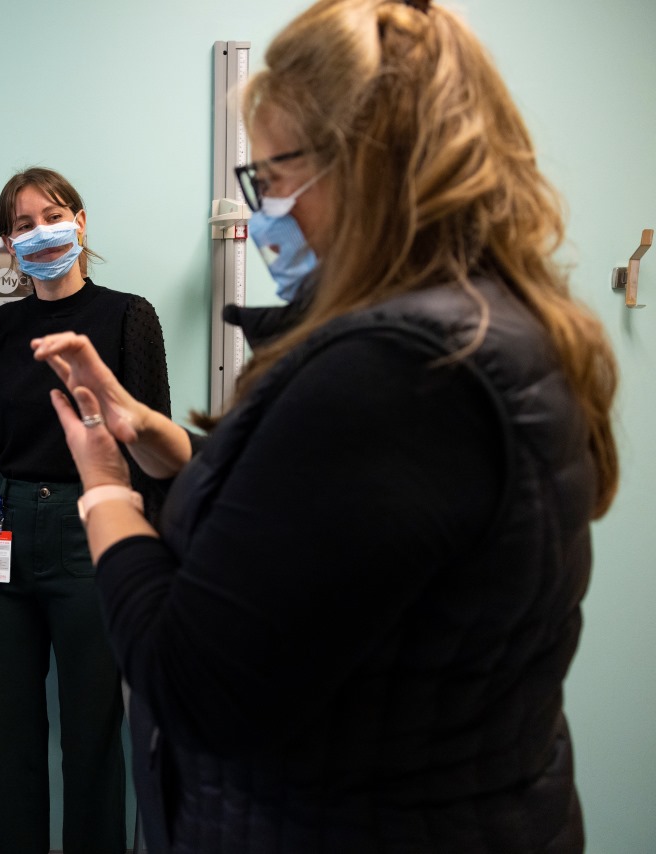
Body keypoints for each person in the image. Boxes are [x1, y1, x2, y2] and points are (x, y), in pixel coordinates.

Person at [30, 1, 618, 851]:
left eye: (272, 175)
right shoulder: (481, 328)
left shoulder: (398, 373)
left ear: (365, 165)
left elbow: (193, 688)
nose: (263, 207)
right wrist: (166, 446)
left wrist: (105, 493)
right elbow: (320, 537)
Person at [0, 167, 171, 853]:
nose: (39, 231)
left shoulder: (128, 316)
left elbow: (151, 442)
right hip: (3, 529)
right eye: (22, 224)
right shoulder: (3, 326)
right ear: (7, 243)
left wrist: (154, 558)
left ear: (80, 221)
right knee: (6, 736)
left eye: (52, 214)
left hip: (95, 529)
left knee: (93, 734)